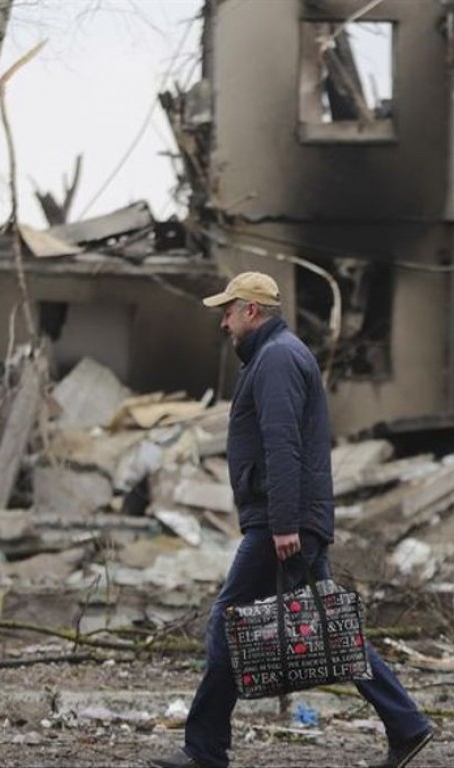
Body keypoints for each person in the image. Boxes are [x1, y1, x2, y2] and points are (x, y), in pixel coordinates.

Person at [149, 272, 435, 768]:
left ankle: (204, 750)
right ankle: (406, 725)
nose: (224, 322)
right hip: (291, 520)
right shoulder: (275, 355)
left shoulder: (278, 358)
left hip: (282, 524)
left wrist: (283, 525)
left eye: (229, 311)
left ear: (252, 311)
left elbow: (283, 447)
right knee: (332, 627)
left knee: (225, 622)